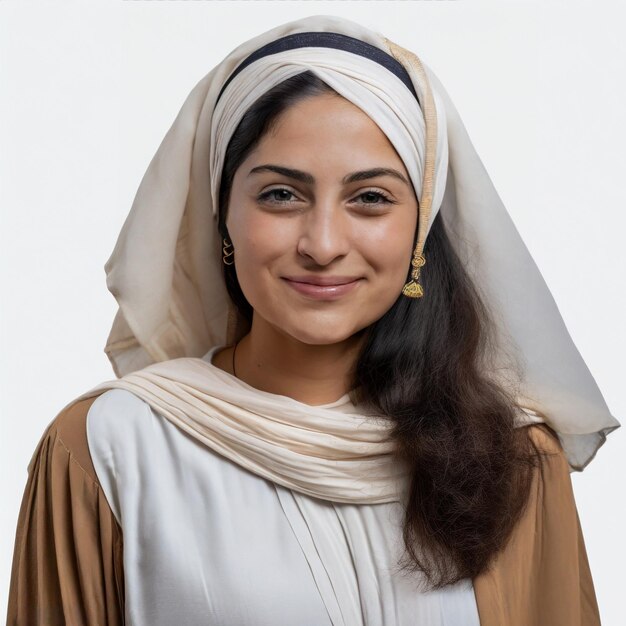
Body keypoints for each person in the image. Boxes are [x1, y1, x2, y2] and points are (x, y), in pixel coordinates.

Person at [6, 14, 620, 626]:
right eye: (281, 194)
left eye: (370, 198)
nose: (323, 244)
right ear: (223, 216)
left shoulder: (509, 457)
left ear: (420, 225)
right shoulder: (109, 447)